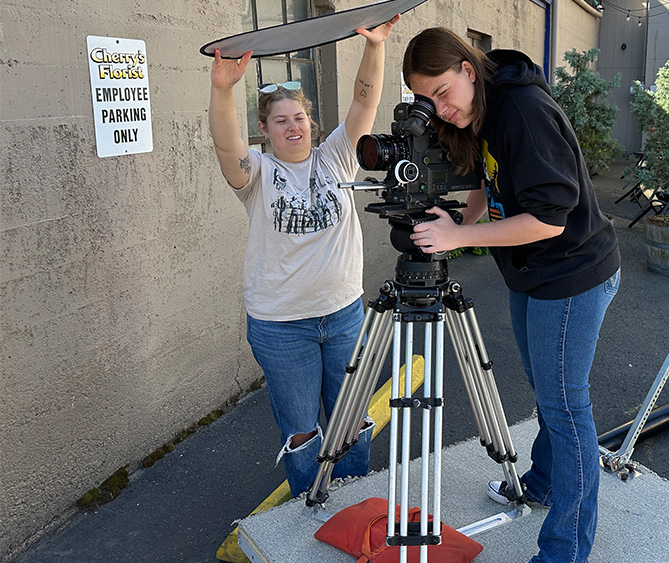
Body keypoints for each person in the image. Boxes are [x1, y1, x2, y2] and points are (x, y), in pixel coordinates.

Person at [402, 27, 621, 563]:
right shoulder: (484, 107)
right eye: (427, 100)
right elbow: (487, 182)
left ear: (468, 69)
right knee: (549, 391)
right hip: (533, 274)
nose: (440, 110)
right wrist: (461, 223)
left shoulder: (522, 110)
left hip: (572, 274)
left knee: (565, 405)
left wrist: (460, 237)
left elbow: (549, 220)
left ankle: (565, 551)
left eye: (443, 93)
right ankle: (543, 482)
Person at [207, 14, 400, 497]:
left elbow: (363, 102)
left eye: (299, 118)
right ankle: (309, 509)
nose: (293, 127)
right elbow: (226, 145)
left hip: (343, 315)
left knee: (351, 420)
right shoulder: (256, 175)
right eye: (281, 120)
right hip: (281, 326)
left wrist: (375, 47)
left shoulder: (336, 157)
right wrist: (223, 89)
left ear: (310, 122)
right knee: (301, 432)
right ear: (264, 129)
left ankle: (353, 501)